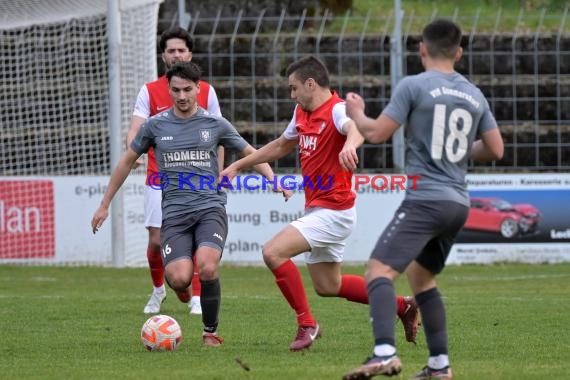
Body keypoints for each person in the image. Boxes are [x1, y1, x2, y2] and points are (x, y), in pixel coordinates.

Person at [219, 55, 420, 352]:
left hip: (334, 212)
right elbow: (280, 146)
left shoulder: (337, 109)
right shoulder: (301, 113)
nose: (292, 94)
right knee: (329, 286)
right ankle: (403, 306)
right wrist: (239, 165)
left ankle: (306, 324)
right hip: (319, 209)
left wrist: (350, 145)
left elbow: (355, 128)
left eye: (294, 87)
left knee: (272, 252)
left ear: (310, 84)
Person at [342, 19, 504, 379]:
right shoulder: (474, 93)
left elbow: (378, 134)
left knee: (378, 271)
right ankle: (439, 366)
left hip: (427, 199)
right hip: (458, 204)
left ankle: (383, 352)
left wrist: (357, 114)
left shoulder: (414, 85)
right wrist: (457, 154)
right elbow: (495, 148)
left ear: (422, 50)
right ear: (459, 53)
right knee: (421, 277)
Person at [93, 61, 289, 346]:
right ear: (169, 90)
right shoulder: (155, 126)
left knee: (208, 267)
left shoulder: (214, 124)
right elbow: (125, 162)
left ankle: (210, 333)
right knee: (179, 278)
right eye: (176, 90)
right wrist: (105, 204)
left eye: (187, 89)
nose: (182, 96)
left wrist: (273, 179)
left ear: (199, 89)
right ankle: (181, 289)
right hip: (174, 214)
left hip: (210, 208)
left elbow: (250, 151)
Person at [127, 27, 223, 315]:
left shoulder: (206, 90)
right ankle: (159, 290)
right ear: (163, 55)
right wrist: (133, 151)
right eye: (171, 50)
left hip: (198, 179)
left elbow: (220, 134)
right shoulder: (150, 90)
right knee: (156, 240)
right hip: (160, 178)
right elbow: (135, 129)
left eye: (181, 50)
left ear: (189, 54)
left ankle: (193, 294)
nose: (176, 54)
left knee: (196, 234)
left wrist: (217, 174)